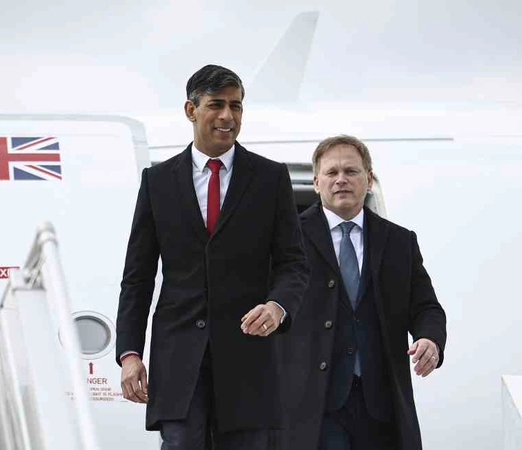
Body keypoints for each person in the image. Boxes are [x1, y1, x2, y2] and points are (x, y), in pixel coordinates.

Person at [115, 64, 309, 450]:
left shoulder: (270, 178)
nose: (227, 116)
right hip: (178, 361)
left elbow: (293, 264)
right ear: (191, 110)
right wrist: (129, 353)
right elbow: (137, 276)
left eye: (236, 106)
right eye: (216, 105)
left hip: (248, 360)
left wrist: (277, 306)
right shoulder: (157, 182)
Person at [281, 135, 447, 450]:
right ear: (316, 183)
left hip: (381, 407)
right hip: (314, 405)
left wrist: (430, 339)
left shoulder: (399, 242)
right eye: (332, 172)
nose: (341, 179)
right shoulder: (286, 241)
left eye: (351, 171)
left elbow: (426, 307)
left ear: (368, 180)